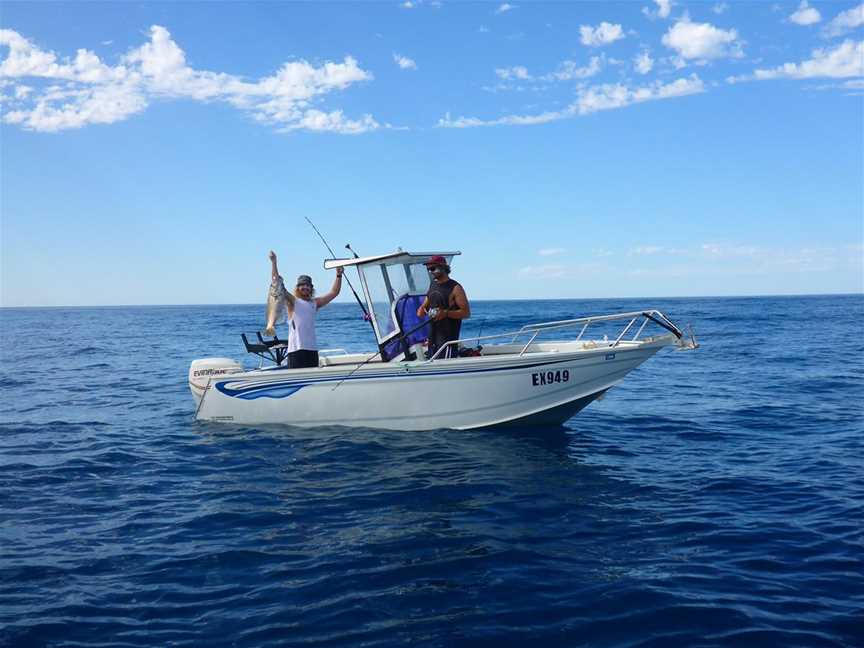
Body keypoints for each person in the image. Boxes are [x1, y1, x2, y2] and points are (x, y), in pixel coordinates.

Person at [268, 250, 343, 369]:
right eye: (302, 285)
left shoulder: (315, 303)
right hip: (296, 350)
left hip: (312, 350)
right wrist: (274, 262)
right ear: (297, 288)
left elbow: (334, 292)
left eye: (308, 285)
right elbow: (277, 283)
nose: (305, 287)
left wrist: (339, 275)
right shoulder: (292, 301)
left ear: (311, 288)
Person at [416, 255, 470, 359]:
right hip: (433, 338)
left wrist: (445, 313)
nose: (430, 272)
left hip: (447, 341)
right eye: (428, 269)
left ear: (443, 267)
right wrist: (421, 309)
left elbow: (466, 313)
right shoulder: (433, 285)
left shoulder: (455, 288)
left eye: (433, 268)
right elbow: (426, 303)